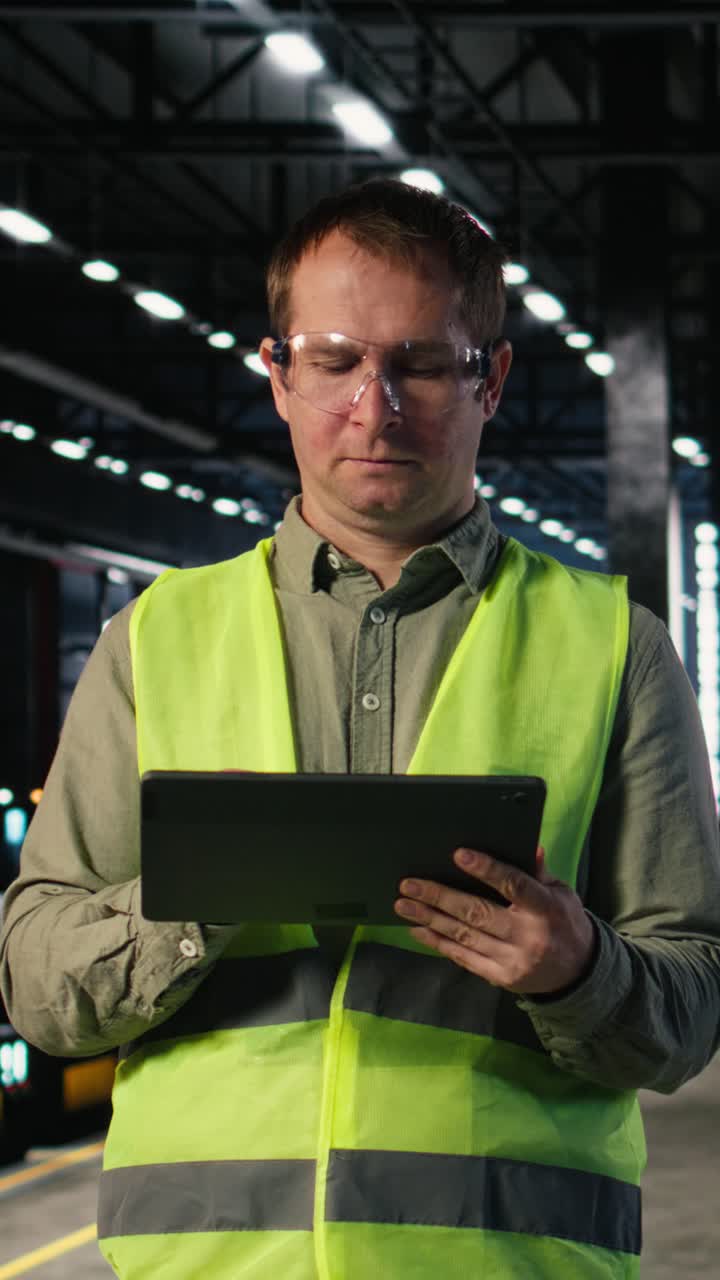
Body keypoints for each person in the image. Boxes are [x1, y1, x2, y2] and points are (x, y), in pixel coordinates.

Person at [2, 177, 720, 1280]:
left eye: (422, 363)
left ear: (493, 380)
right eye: (334, 360)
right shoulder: (155, 640)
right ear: (278, 372)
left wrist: (580, 967)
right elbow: (40, 986)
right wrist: (190, 912)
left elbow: (692, 1000)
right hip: (209, 1262)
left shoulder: (614, 651)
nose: (374, 407)